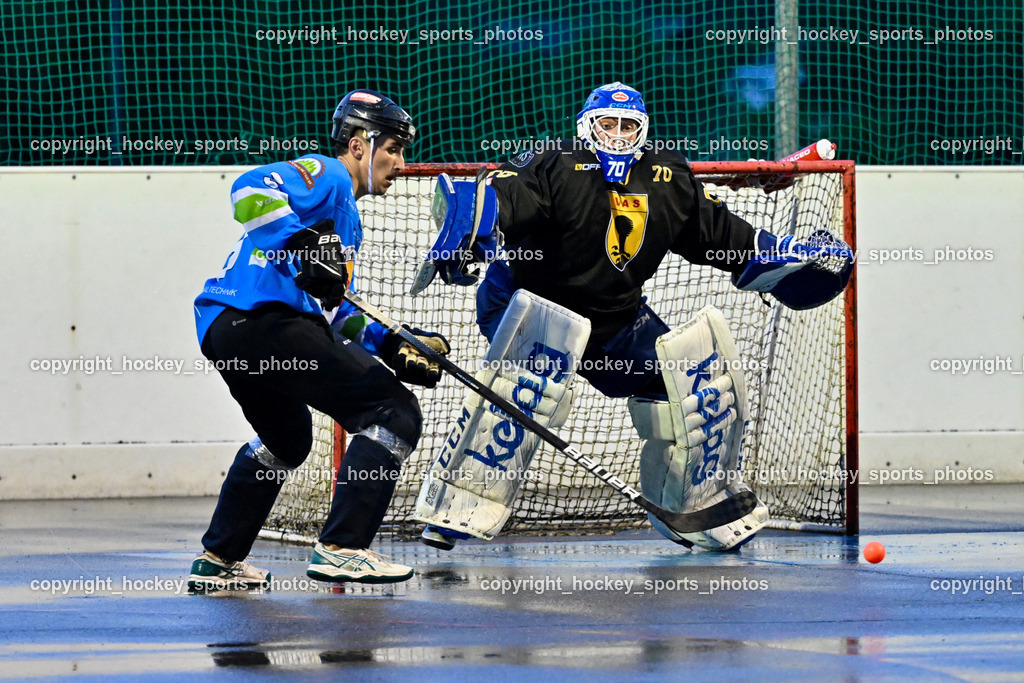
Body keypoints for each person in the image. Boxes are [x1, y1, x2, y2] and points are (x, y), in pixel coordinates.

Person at [415, 82, 853, 552]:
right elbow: (497, 199)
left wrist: (776, 259)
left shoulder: (666, 176)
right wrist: (470, 227)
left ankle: (693, 509)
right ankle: (455, 508)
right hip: (530, 304)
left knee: (694, 391)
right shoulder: (556, 163)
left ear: (643, 130)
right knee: (525, 394)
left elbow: (720, 234)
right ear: (587, 126)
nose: (619, 135)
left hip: (615, 320)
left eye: (629, 125)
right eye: (609, 124)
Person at [187, 89, 451, 591]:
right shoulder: (328, 175)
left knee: (285, 442)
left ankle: (218, 559)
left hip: (228, 331)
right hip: (265, 322)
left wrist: (393, 345)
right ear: (357, 145)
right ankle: (344, 549)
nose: (399, 162)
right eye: (392, 148)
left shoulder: (345, 219)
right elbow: (248, 189)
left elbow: (332, 309)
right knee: (392, 411)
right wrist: (304, 242)